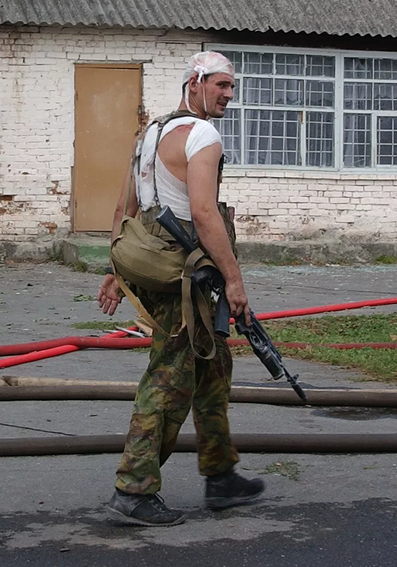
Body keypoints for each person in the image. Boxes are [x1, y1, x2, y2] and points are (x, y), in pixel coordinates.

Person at [97, 51, 263, 527]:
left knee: (213, 365)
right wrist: (235, 281)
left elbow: (125, 206)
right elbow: (205, 214)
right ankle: (134, 488)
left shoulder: (151, 133)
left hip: (153, 266)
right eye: (221, 85)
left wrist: (115, 269)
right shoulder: (202, 136)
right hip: (181, 279)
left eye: (232, 87)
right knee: (169, 377)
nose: (229, 95)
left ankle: (220, 474)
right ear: (195, 82)